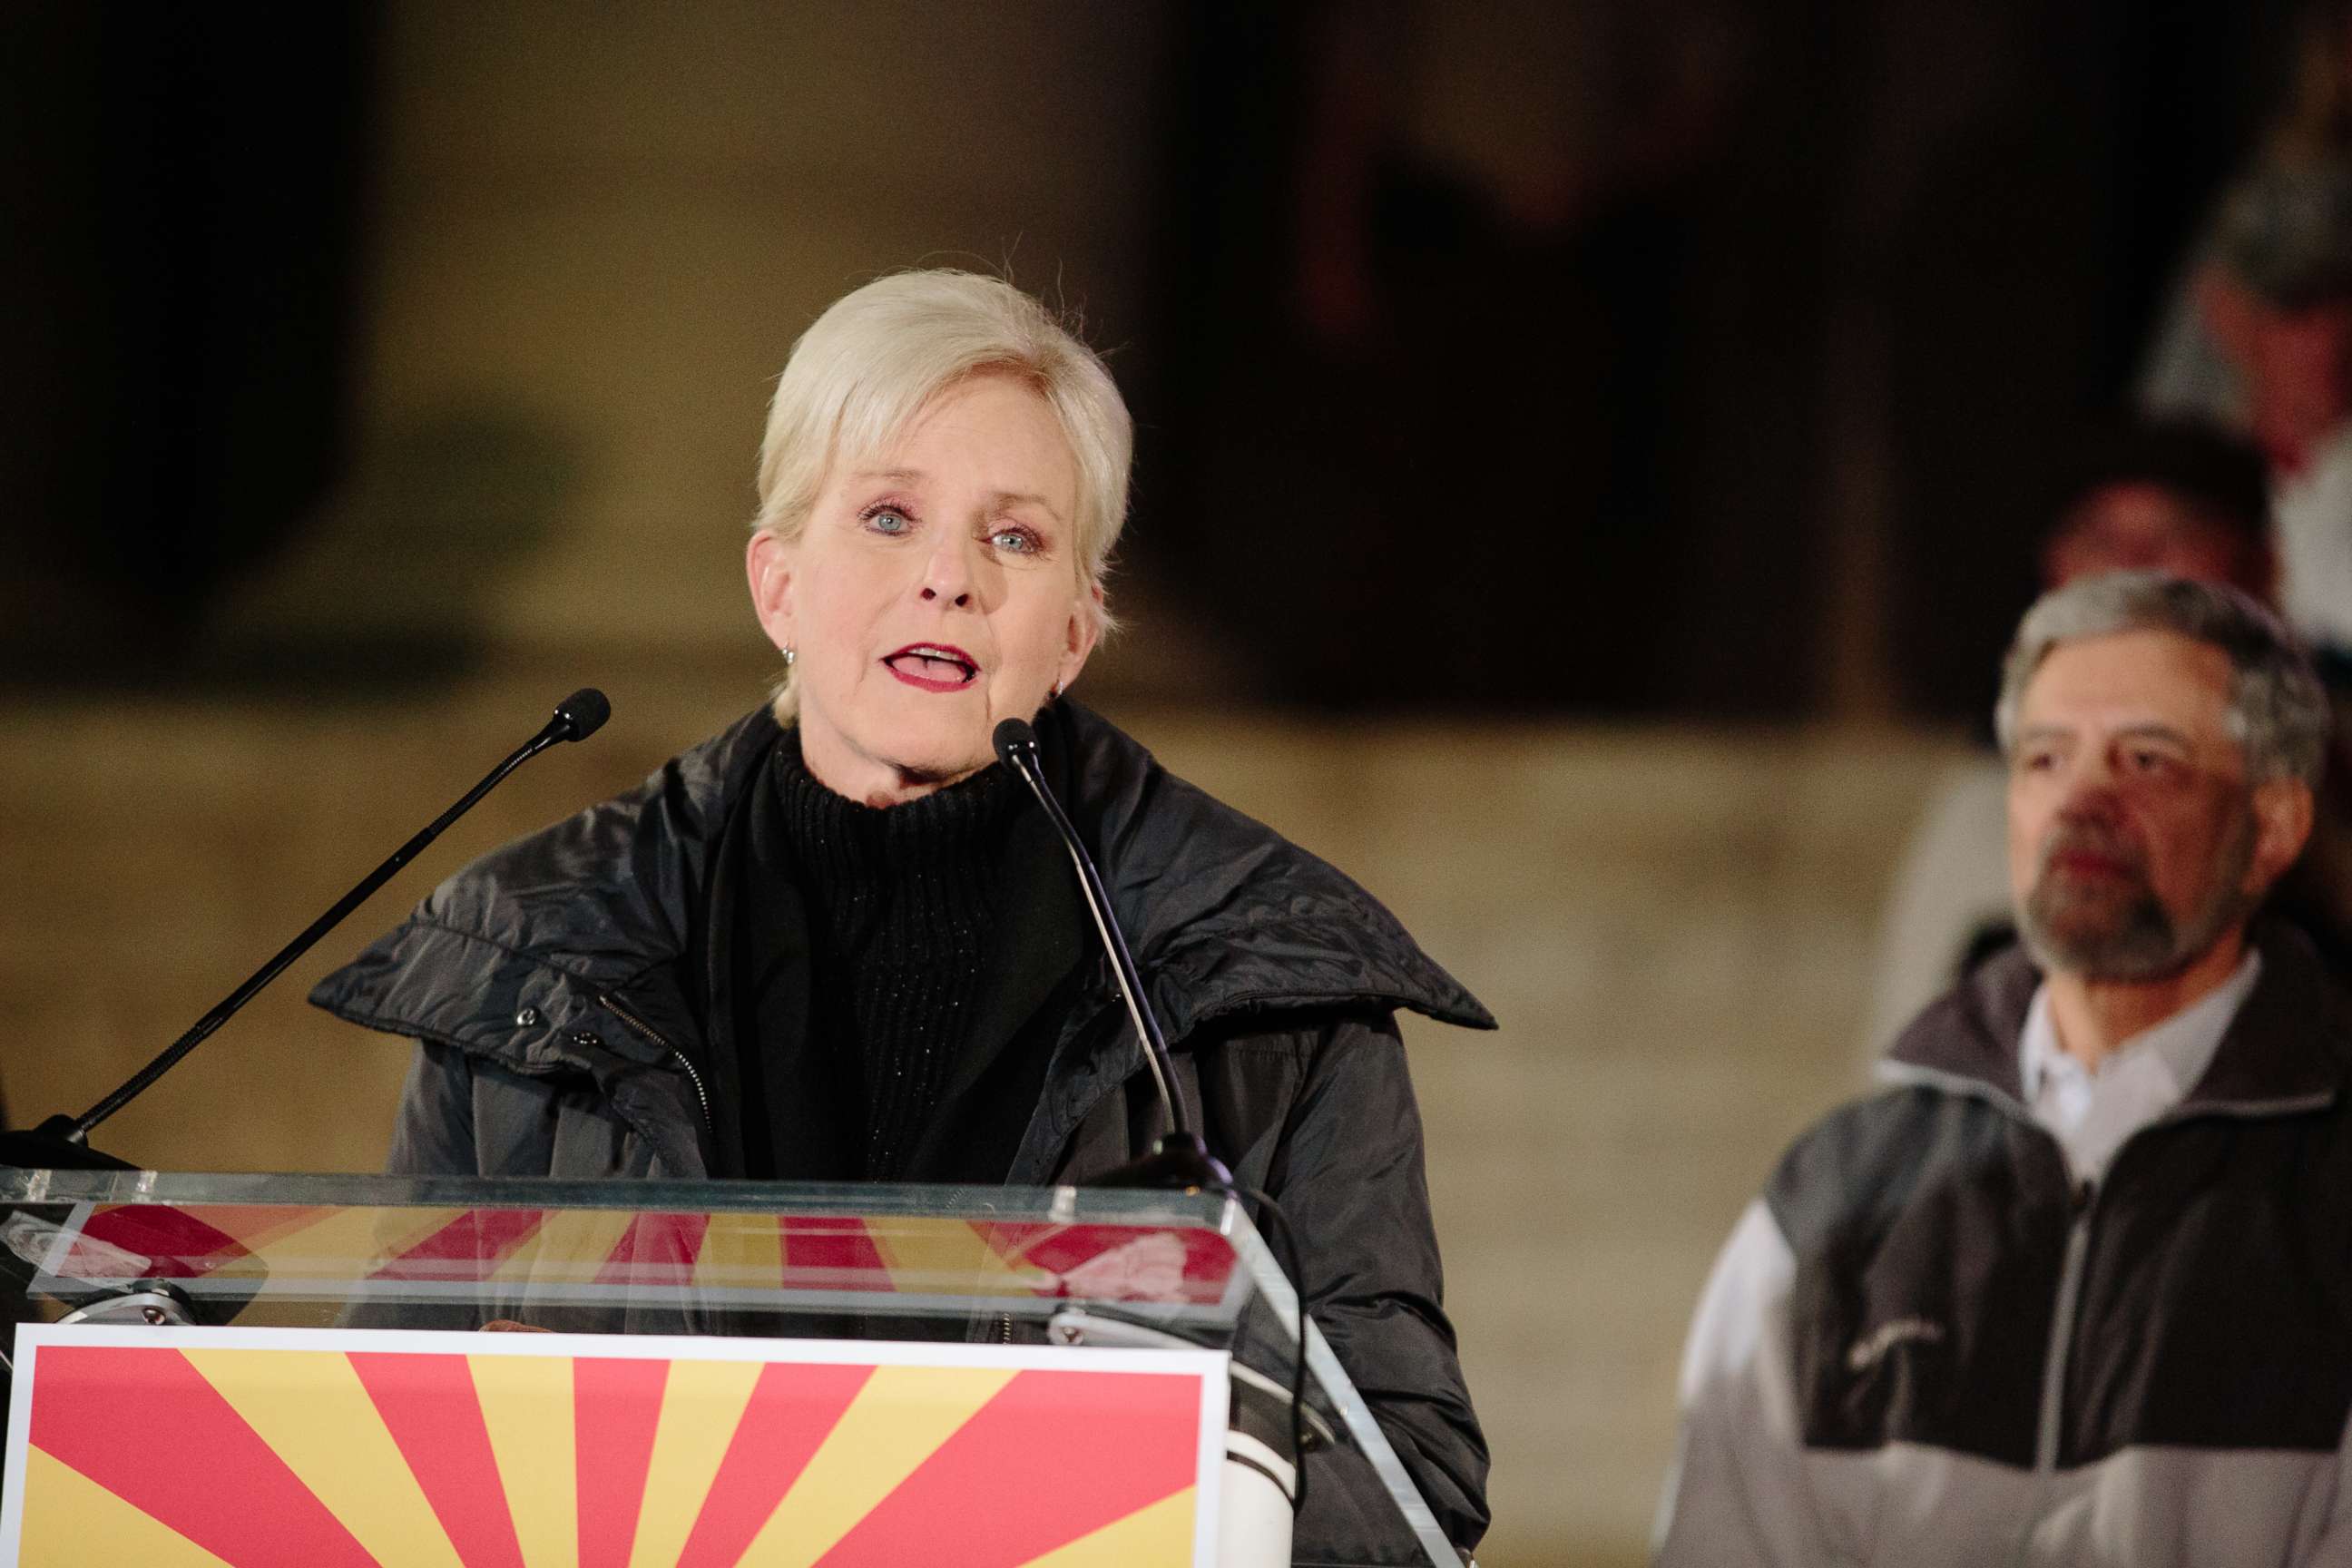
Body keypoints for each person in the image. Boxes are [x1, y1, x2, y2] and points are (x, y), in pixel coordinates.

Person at [309, 269, 1493, 1562]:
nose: (948, 578)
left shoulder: (1264, 984)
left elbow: (1407, 1483)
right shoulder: (535, 952)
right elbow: (391, 1437)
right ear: (778, 584)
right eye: (887, 515)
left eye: (1017, 539)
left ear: (1078, 629)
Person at [1658, 571, 2352, 1566]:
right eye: (2045, 757)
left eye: (2146, 758)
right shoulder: (1833, 1200)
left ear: (2273, 829)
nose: (2084, 800)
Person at [1859, 419, 2278, 1057]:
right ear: (2056, 567)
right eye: (2102, 539)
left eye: (2178, 536)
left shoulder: (2315, 770)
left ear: (2259, 565)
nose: (2134, 567)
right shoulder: (1991, 801)